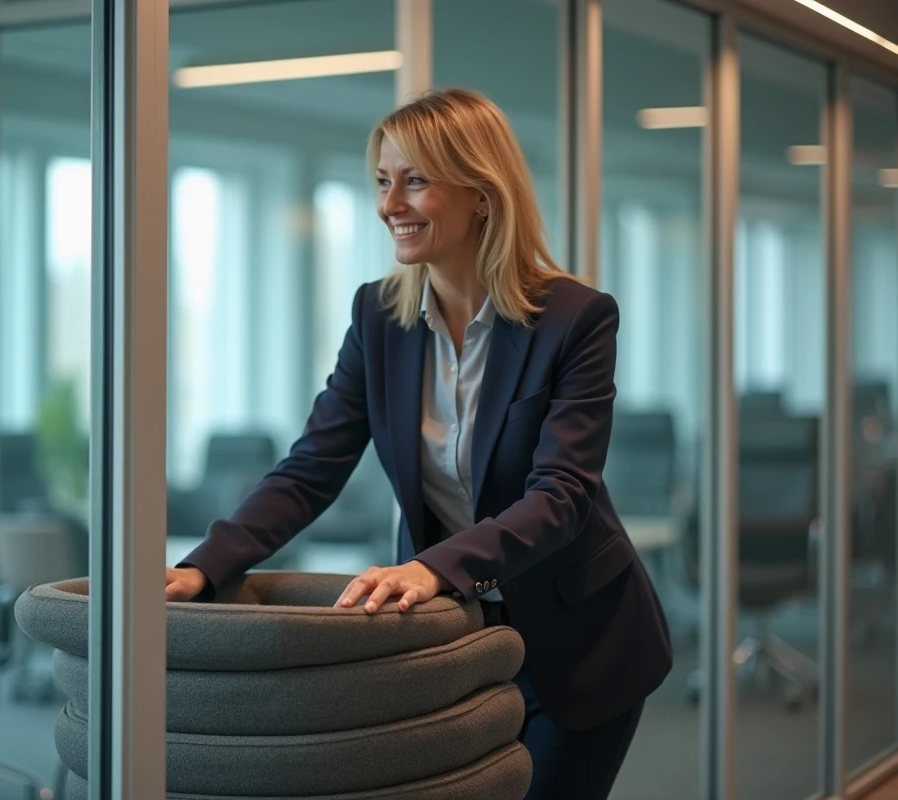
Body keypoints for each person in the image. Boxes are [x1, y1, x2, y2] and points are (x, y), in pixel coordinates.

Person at [165, 87, 672, 800]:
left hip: (578, 642)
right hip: (447, 639)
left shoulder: (574, 320)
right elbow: (312, 468)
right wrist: (204, 565)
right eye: (381, 181)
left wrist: (436, 567)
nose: (388, 204)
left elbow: (560, 497)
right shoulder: (378, 318)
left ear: (483, 194)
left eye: (416, 180)